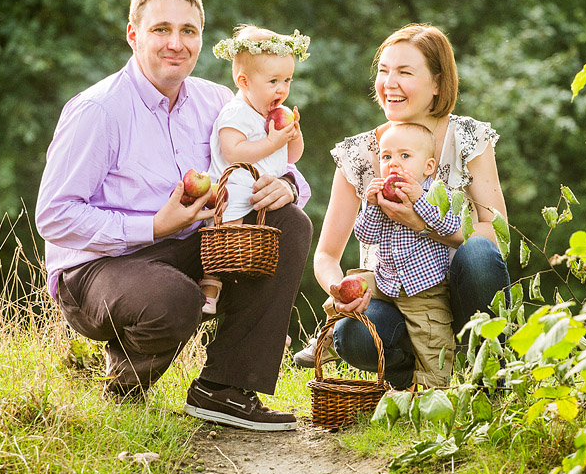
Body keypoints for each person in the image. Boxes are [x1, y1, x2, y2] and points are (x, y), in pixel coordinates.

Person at [36, 0, 312, 431]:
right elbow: (54, 216)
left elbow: (256, 157)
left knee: (289, 224)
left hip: (195, 249)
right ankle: (124, 388)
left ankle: (224, 387)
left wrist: (285, 185)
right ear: (133, 35)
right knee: (174, 298)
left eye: (189, 31)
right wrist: (153, 226)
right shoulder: (98, 110)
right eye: (161, 29)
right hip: (98, 270)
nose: (176, 43)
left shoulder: (217, 100)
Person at [296, 23, 510, 391]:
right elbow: (326, 256)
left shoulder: (467, 138)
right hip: (396, 299)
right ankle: (411, 379)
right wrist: (341, 292)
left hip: (458, 294)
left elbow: (499, 233)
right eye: (383, 71)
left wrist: (421, 222)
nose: (389, 83)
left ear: (437, 84)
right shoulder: (360, 152)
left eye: (405, 72)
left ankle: (487, 378)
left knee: (479, 252)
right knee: (351, 334)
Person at [198, 25, 309, 315]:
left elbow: (292, 157)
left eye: (287, 80)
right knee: (225, 240)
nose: (282, 89)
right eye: (273, 81)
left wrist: (292, 135)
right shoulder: (236, 112)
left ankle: (264, 313)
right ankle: (211, 286)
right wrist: (273, 141)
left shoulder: (274, 115)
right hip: (234, 189)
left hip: (260, 194)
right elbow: (233, 151)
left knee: (271, 247)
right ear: (244, 81)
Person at [353, 122, 461, 388]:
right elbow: (365, 235)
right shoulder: (383, 197)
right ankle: (329, 334)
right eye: (386, 156)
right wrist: (371, 205)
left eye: (404, 156)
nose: (394, 164)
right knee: (352, 289)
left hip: (423, 291)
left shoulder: (436, 192)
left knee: (433, 342)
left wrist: (419, 199)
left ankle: (431, 390)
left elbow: (451, 226)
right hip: (387, 281)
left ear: (428, 167)